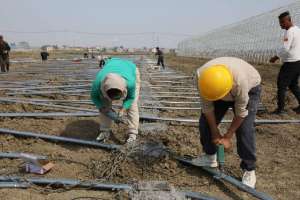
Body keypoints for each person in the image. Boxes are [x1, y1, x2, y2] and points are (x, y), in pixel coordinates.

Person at [194, 57, 261, 188]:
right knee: (205, 123)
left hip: (250, 86)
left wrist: (227, 136)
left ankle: (249, 169)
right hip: (218, 86)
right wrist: (214, 132)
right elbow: (207, 108)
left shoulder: (240, 82)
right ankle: (210, 156)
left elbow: (241, 113)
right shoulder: (202, 78)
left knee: (244, 129)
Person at [91, 57, 140, 143]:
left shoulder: (130, 82)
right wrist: (102, 107)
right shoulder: (98, 83)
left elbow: (130, 98)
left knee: (132, 105)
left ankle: (132, 133)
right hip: (112, 68)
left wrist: (123, 108)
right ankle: (105, 131)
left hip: (130, 68)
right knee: (104, 104)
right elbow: (94, 97)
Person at [270, 11, 300, 114]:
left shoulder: (290, 31)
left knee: (281, 84)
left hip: (291, 63)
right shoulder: (297, 30)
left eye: (283, 22)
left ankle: (280, 109)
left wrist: (275, 57)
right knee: (293, 85)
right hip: (298, 62)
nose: (281, 25)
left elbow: (285, 48)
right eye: (280, 22)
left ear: (289, 20)